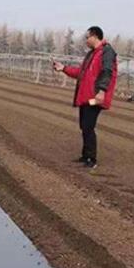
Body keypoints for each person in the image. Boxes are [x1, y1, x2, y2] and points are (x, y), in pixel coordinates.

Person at [53, 26, 118, 169]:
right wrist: (63, 68)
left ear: (95, 36)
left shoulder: (107, 52)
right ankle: (85, 155)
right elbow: (81, 73)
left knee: (88, 125)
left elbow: (107, 72)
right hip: (85, 96)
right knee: (84, 125)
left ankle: (92, 159)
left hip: (95, 97)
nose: (85, 40)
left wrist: (101, 91)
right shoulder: (91, 54)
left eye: (87, 37)